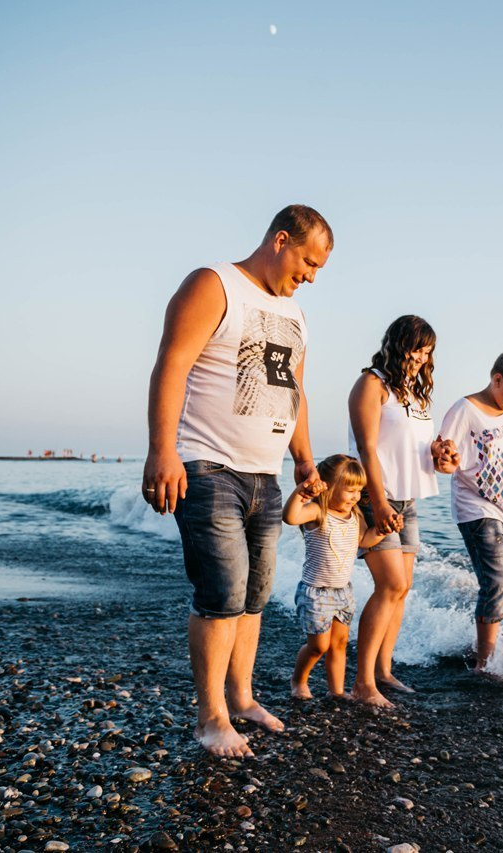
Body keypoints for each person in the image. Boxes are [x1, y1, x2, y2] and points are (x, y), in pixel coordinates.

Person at [142, 204, 333, 758]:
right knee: (221, 593)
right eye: (308, 261)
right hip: (208, 466)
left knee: (254, 596)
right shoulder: (213, 283)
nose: (312, 276)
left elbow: (295, 390)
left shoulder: (295, 313)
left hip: (266, 475)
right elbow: (172, 364)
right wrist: (162, 450)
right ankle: (211, 718)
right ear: (281, 239)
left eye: (320, 268)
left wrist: (304, 459)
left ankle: (243, 697)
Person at [347, 315, 455, 707]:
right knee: (389, 585)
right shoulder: (371, 384)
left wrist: (441, 455)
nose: (422, 358)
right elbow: (367, 449)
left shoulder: (414, 392)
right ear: (397, 344)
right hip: (376, 498)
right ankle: (362, 683)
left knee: (402, 590)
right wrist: (376, 504)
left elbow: (414, 449)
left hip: (408, 501)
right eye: (416, 349)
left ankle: (383, 671)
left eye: (428, 352)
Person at [435, 352, 503, 670]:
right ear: (496, 380)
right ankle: (485, 663)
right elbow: (443, 459)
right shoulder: (464, 410)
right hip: (476, 508)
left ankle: (479, 645)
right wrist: (446, 461)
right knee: (495, 583)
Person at [283, 454, 384, 700]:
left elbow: (363, 541)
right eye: (350, 490)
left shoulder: (355, 515)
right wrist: (302, 492)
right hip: (316, 592)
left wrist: (381, 531)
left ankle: (337, 691)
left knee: (339, 645)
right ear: (328, 487)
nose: (356, 496)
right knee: (319, 646)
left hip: (343, 592)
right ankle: (298, 679)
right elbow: (290, 517)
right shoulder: (318, 512)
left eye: (359, 490)